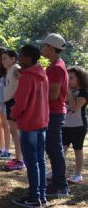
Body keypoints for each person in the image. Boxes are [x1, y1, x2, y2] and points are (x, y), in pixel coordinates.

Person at [11, 44, 50, 208]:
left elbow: (21, 103)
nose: (19, 59)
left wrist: (14, 113)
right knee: (40, 160)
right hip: (41, 122)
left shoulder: (27, 77)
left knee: (32, 162)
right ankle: (41, 194)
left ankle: (34, 197)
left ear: (28, 58)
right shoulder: (42, 74)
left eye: (21, 55)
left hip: (29, 124)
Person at [40, 33, 70, 197]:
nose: (42, 48)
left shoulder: (57, 68)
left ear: (51, 48)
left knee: (54, 148)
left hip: (54, 113)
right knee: (52, 148)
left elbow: (53, 95)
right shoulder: (55, 65)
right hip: (53, 113)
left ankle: (60, 185)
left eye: (44, 46)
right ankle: (59, 183)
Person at [63, 67, 87, 184]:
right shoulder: (67, 91)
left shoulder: (83, 92)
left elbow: (74, 108)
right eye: (67, 78)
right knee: (61, 150)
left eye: (71, 78)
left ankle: (78, 175)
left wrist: (68, 92)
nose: (68, 80)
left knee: (78, 149)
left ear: (80, 79)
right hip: (65, 125)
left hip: (78, 126)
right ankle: (56, 171)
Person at [2, 50, 25, 171]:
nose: (2, 60)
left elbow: (24, 82)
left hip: (13, 102)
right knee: (13, 131)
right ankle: (18, 157)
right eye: (2, 58)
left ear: (13, 59)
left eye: (5, 58)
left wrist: (17, 101)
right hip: (9, 101)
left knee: (15, 132)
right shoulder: (9, 69)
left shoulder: (16, 68)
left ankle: (20, 160)